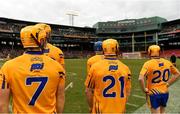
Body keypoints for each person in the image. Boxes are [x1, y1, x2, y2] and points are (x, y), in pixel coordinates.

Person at [0, 25, 65, 113]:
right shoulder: (57, 67)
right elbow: (60, 98)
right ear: (41, 40)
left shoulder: (8, 67)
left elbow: (2, 104)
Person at [85, 39, 131, 113]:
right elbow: (127, 92)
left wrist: (91, 107)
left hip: (100, 110)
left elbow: (88, 91)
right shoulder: (125, 68)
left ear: (103, 49)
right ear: (117, 50)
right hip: (119, 110)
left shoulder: (95, 67)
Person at [139, 45, 180, 114]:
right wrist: (168, 83)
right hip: (165, 92)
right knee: (162, 112)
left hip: (154, 93)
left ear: (149, 53)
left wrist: (144, 89)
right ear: (159, 52)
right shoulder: (167, 62)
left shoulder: (148, 64)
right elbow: (177, 73)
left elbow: (140, 78)